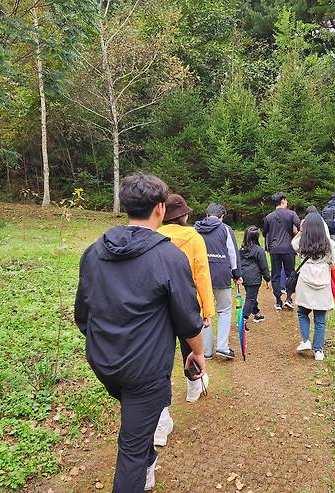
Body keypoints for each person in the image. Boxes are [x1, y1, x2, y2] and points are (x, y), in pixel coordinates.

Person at [74, 174, 206, 492]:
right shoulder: (169, 256)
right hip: (143, 371)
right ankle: (141, 466)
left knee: (138, 422)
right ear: (160, 208)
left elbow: (82, 315)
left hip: (104, 361)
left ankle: (147, 459)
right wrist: (198, 353)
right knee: (131, 449)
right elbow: (189, 319)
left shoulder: (94, 252)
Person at [154, 193, 213, 448]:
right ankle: (192, 390)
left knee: (160, 358)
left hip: (158, 307)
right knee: (190, 349)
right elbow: (201, 274)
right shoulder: (194, 237)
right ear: (184, 215)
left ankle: (160, 418)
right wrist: (207, 310)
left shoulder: (154, 235)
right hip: (188, 304)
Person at [291, 213, 335, 361]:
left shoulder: (302, 241)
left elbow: (292, 244)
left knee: (302, 312)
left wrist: (301, 230)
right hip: (323, 282)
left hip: (305, 279)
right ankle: (318, 350)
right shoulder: (329, 243)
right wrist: (326, 266)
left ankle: (306, 340)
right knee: (320, 319)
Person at [194, 203, 242, 359]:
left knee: (204, 311)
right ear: (222, 216)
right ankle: (222, 346)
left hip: (201, 275)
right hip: (221, 273)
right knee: (225, 309)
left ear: (207, 214)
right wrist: (236, 274)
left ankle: (206, 351)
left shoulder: (196, 229)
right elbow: (232, 254)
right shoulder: (225, 229)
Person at [262, 192, 301, 311]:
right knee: (291, 273)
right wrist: (295, 237)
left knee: (276, 275)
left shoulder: (269, 217)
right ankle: (289, 298)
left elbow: (264, 233)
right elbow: (301, 226)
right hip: (288, 248)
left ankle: (278, 301)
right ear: (283, 200)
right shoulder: (291, 214)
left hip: (274, 249)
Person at [239, 226, 271, 325]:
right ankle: (243, 318)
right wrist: (267, 279)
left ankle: (257, 313)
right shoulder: (259, 250)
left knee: (251, 296)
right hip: (254, 277)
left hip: (244, 276)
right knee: (251, 298)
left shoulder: (241, 249)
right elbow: (264, 266)